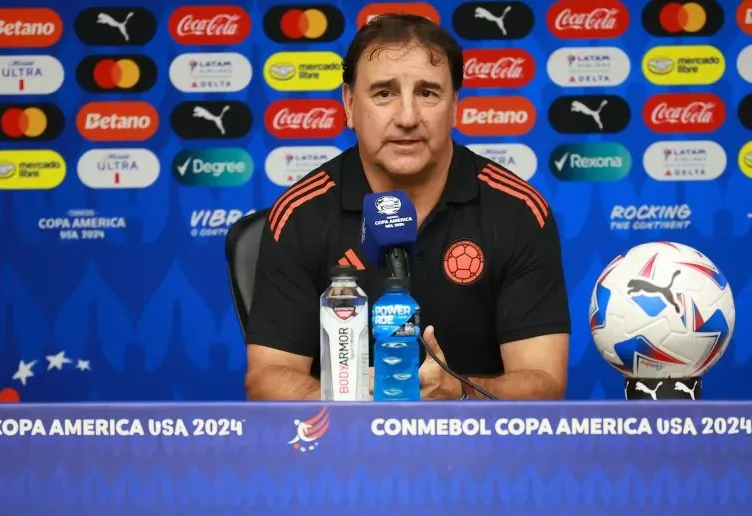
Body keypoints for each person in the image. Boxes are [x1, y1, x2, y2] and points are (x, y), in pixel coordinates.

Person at [244, 13, 570, 401]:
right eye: (384, 93)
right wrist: (356, 400)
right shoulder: (300, 213)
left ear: (455, 106)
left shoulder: (518, 210)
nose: (407, 118)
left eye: (428, 93)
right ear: (349, 104)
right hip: (343, 448)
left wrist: (459, 394)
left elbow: (544, 382)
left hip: (477, 449)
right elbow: (267, 378)